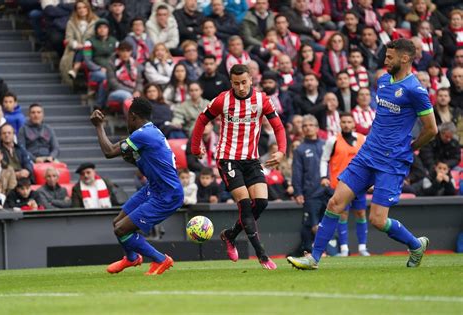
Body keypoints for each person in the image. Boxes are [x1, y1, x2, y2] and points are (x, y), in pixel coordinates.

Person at [287, 38, 438, 270]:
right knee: (335, 202)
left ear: (405, 58)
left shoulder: (415, 90)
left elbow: (431, 129)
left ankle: (415, 245)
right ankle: (314, 258)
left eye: (390, 57)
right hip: (367, 155)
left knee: (377, 220)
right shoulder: (384, 80)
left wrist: (410, 147)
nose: (385, 60)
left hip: (392, 161)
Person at [190, 64, 287, 269]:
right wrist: (195, 146)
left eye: (244, 82)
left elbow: (278, 126)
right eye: (236, 83)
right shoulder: (222, 100)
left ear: (251, 80)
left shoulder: (262, 100)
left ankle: (230, 235)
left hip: (251, 159)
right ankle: (262, 255)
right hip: (228, 158)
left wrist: (281, 150)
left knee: (261, 203)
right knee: (244, 205)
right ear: (231, 83)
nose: (241, 87)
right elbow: (201, 119)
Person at [90, 97, 184, 275]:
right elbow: (146, 161)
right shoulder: (150, 132)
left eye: (126, 117)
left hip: (167, 194)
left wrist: (98, 125)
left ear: (132, 116)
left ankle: (161, 259)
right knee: (118, 223)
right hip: (155, 188)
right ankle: (132, 259)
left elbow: (109, 152)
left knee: (121, 229)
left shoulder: (143, 135)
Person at [320, 113, 370, 256]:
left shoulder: (363, 139)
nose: (346, 124)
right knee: (343, 215)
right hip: (340, 184)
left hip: (360, 183)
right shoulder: (332, 140)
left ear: (354, 124)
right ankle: (344, 249)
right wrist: (324, 176)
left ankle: (362, 248)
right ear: (339, 124)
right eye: (344, 122)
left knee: (361, 213)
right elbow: (324, 159)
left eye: (349, 122)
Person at [291, 115, 328, 255]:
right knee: (313, 225)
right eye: (305, 126)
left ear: (317, 128)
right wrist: (298, 192)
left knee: (328, 222)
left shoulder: (325, 145)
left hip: (328, 190)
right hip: (311, 192)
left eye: (311, 125)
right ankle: (318, 251)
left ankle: (330, 250)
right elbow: (297, 173)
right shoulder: (300, 149)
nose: (308, 128)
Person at [61, 0, 98, 82]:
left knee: (85, 49)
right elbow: (68, 38)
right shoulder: (71, 22)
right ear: (76, 10)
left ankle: (75, 70)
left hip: (93, 49)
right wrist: (76, 45)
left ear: (88, 8)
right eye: (79, 8)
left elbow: (98, 37)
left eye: (84, 7)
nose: (82, 10)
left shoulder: (96, 21)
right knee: (82, 50)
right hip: (76, 49)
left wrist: (87, 45)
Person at [83, 18, 118, 107]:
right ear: (96, 30)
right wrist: (98, 68)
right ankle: (100, 104)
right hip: (95, 71)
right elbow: (87, 60)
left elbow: (118, 57)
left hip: (112, 70)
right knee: (106, 78)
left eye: (105, 27)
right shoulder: (89, 42)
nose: (102, 30)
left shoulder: (115, 41)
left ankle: (102, 105)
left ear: (108, 29)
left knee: (108, 79)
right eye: (100, 28)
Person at [106, 41, 143, 107]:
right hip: (115, 92)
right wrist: (132, 91)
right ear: (118, 51)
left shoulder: (135, 64)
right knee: (128, 96)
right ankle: (131, 117)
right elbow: (114, 84)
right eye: (123, 51)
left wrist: (137, 91)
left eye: (128, 51)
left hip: (134, 91)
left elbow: (139, 81)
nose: (125, 53)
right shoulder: (111, 63)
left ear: (131, 52)